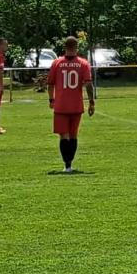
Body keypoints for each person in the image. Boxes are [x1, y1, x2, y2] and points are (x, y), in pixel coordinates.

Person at [48, 36, 94, 174]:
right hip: (76, 105)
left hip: (61, 105)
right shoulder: (83, 63)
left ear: (65, 47)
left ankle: (67, 165)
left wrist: (51, 99)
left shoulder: (57, 63)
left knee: (64, 136)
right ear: (76, 47)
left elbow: (50, 84)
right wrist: (91, 101)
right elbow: (88, 84)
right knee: (73, 135)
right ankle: (70, 164)